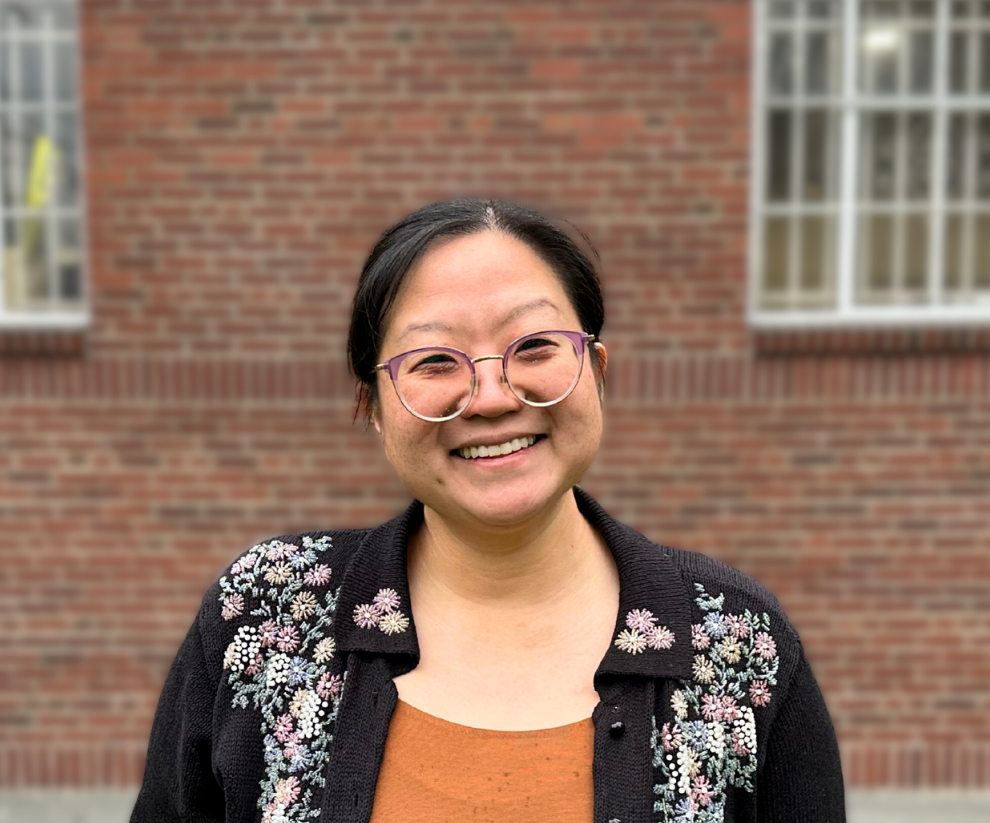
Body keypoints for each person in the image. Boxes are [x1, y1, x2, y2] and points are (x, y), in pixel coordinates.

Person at [130, 198, 845, 823]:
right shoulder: (264, 614)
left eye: (533, 346)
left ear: (596, 370)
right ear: (372, 408)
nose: (494, 395)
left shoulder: (739, 644)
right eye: (435, 361)